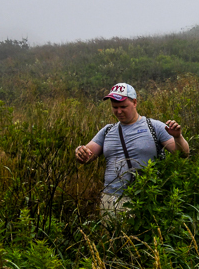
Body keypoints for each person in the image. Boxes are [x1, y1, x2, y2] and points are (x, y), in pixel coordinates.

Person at [75, 82, 190, 213]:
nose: (119, 112)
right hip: (111, 199)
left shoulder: (155, 127)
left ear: (134, 103)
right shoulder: (107, 131)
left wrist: (178, 137)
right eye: (115, 107)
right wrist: (80, 151)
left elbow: (182, 154)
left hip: (146, 198)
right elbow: (86, 156)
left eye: (123, 107)